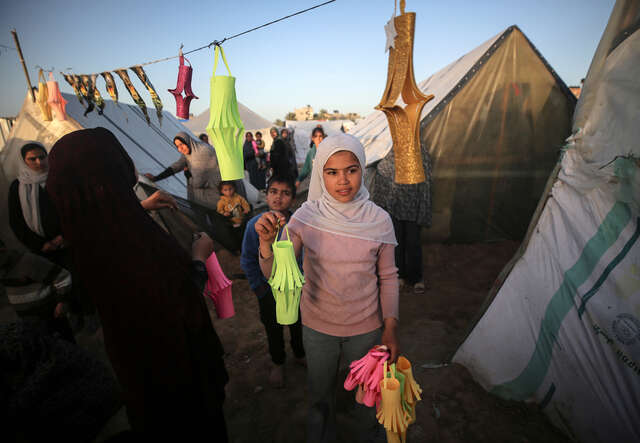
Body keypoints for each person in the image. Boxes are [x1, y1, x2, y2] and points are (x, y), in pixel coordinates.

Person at [46, 127, 229, 441]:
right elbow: (180, 298)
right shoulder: (134, 244)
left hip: (137, 371)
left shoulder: (82, 233)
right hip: (179, 375)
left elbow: (105, 221)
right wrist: (199, 257)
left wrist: (141, 206)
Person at [255, 134, 399, 443]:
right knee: (320, 396)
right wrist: (266, 245)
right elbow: (279, 274)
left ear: (363, 169)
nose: (343, 181)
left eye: (351, 169)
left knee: (366, 396)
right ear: (320, 173)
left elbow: (387, 278)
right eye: (332, 172)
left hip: (367, 328)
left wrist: (389, 329)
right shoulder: (307, 217)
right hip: (318, 327)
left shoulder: (380, 220)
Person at [240, 175, 305, 388]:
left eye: (285, 193)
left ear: (293, 200)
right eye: (274, 192)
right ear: (266, 195)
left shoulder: (299, 224)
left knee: (298, 324)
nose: (279, 197)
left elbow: (306, 257)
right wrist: (259, 288)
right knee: (273, 328)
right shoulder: (253, 226)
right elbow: (248, 259)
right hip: (268, 292)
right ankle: (278, 362)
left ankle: (299, 353)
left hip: (297, 289)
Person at [370, 142, 433, 294]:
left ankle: (416, 278)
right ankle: (399, 276)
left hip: (413, 202)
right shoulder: (389, 147)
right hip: (395, 203)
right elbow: (383, 169)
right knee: (396, 242)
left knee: (413, 241)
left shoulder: (419, 146)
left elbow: (426, 170)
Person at [1, 239, 74, 343]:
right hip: (31, 323)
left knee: (67, 348)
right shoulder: (3, 271)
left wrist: (62, 301)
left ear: (2, 250)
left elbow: (63, 277)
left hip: (51, 317)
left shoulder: (27, 262)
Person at [144, 131, 222, 208]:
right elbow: (177, 166)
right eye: (177, 146)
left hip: (211, 198)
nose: (180, 149)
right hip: (200, 199)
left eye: (181, 144)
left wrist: (187, 174)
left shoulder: (202, 153)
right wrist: (156, 178)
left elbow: (198, 183)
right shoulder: (190, 152)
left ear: (187, 141)